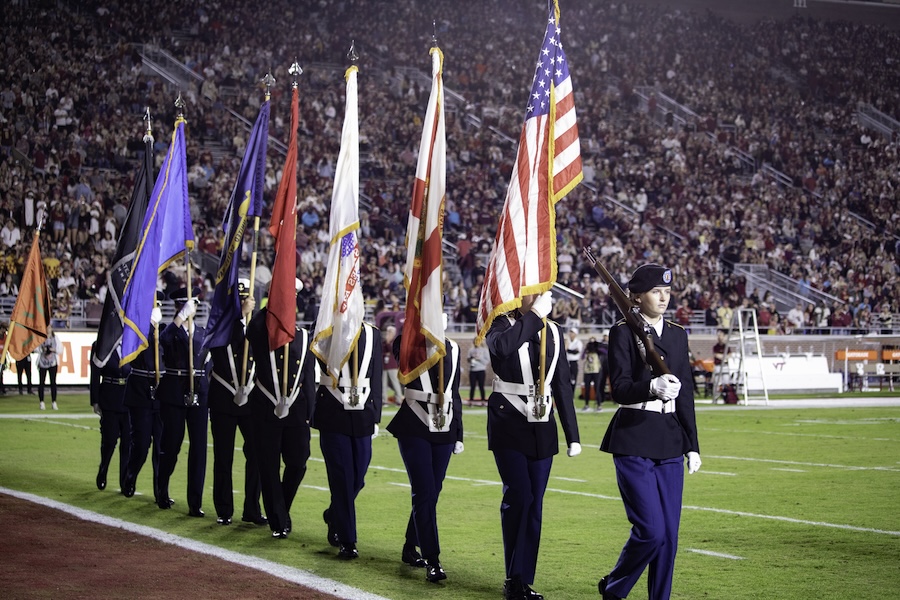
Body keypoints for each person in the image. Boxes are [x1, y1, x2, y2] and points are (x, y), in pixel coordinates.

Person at [597, 264, 701, 600]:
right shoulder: (623, 332)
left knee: (669, 537)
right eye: (656, 291)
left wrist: (693, 445)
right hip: (634, 435)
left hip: (670, 439)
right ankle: (614, 588)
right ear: (637, 296)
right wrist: (651, 387)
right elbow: (621, 389)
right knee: (651, 531)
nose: (664, 297)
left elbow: (685, 395)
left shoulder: (677, 334)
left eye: (668, 292)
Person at [484, 291, 581, 600]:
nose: (540, 295)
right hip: (508, 421)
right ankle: (513, 579)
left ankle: (523, 578)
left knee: (535, 505)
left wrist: (573, 434)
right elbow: (502, 348)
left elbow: (562, 383)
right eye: (533, 290)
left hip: (543, 426)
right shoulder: (499, 324)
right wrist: (534, 316)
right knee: (519, 496)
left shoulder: (554, 330)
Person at [387, 315, 464, 583]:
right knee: (424, 491)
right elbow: (403, 358)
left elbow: (455, 391)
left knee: (433, 492)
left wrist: (459, 432)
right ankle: (433, 558)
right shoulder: (407, 343)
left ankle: (410, 545)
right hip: (415, 424)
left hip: (444, 426)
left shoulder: (453, 348)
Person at [246, 278, 316, 539]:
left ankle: (281, 508)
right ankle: (278, 520)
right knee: (268, 466)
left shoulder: (304, 336)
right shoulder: (262, 332)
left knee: (298, 463)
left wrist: (310, 414)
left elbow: (308, 379)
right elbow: (251, 331)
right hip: (265, 410)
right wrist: (271, 303)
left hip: (296, 412)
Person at [313, 321, 383, 560]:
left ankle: (334, 514)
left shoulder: (373, 333)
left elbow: (376, 376)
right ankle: (348, 540)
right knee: (342, 479)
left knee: (358, 478)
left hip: (363, 413)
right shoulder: (325, 326)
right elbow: (321, 356)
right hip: (333, 412)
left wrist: (376, 415)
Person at [207, 279, 266, 527]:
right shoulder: (224, 327)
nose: (249, 301)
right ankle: (224, 508)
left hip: (249, 398)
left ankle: (251, 508)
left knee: (257, 452)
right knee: (224, 455)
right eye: (245, 299)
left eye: (249, 298)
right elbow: (229, 347)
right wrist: (240, 318)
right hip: (224, 397)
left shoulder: (253, 326)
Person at [156, 287, 209, 517]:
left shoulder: (203, 333)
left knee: (199, 449)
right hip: (175, 393)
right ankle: (162, 488)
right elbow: (164, 340)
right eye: (188, 304)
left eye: (194, 304)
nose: (192, 309)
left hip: (198, 392)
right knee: (172, 444)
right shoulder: (171, 330)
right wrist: (179, 318)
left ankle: (195, 502)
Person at [122, 295, 165, 501]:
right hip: (140, 393)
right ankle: (130, 476)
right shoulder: (136, 329)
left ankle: (160, 491)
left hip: (160, 395)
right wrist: (148, 326)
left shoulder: (165, 330)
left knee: (161, 446)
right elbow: (134, 352)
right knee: (141, 444)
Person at [89, 344, 132, 492]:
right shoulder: (101, 344)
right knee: (109, 440)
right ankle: (103, 468)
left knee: (128, 442)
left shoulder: (133, 342)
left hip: (129, 398)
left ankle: (125, 482)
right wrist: (95, 400)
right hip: (109, 397)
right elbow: (95, 372)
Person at [37, 325, 61, 410]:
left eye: (49, 327)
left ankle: (54, 402)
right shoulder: (41, 338)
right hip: (43, 362)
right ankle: (41, 402)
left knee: (53, 383)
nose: (48, 329)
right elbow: (36, 349)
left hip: (52, 363)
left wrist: (53, 350)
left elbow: (60, 350)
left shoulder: (55, 338)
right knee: (41, 383)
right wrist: (42, 349)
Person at [381, 324, 403, 404]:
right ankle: (384, 400)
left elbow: (392, 350)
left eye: (390, 332)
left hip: (392, 366)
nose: (388, 333)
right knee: (383, 384)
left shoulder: (395, 341)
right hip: (384, 365)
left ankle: (399, 399)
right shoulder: (384, 342)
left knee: (395, 383)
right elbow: (382, 352)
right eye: (388, 332)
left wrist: (388, 342)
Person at [581, 336, 602, 410]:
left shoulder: (598, 351)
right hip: (588, 371)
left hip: (596, 371)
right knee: (587, 388)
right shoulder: (587, 351)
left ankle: (599, 405)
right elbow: (582, 357)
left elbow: (605, 352)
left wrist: (597, 348)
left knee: (597, 388)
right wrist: (586, 349)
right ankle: (586, 405)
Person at [467, 336, 489, 405]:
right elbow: (468, 359)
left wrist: (479, 358)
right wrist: (471, 359)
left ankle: (483, 400)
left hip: (481, 370)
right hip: (473, 370)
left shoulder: (484, 350)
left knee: (481, 386)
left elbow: (487, 361)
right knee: (472, 386)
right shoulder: (471, 350)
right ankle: (471, 400)